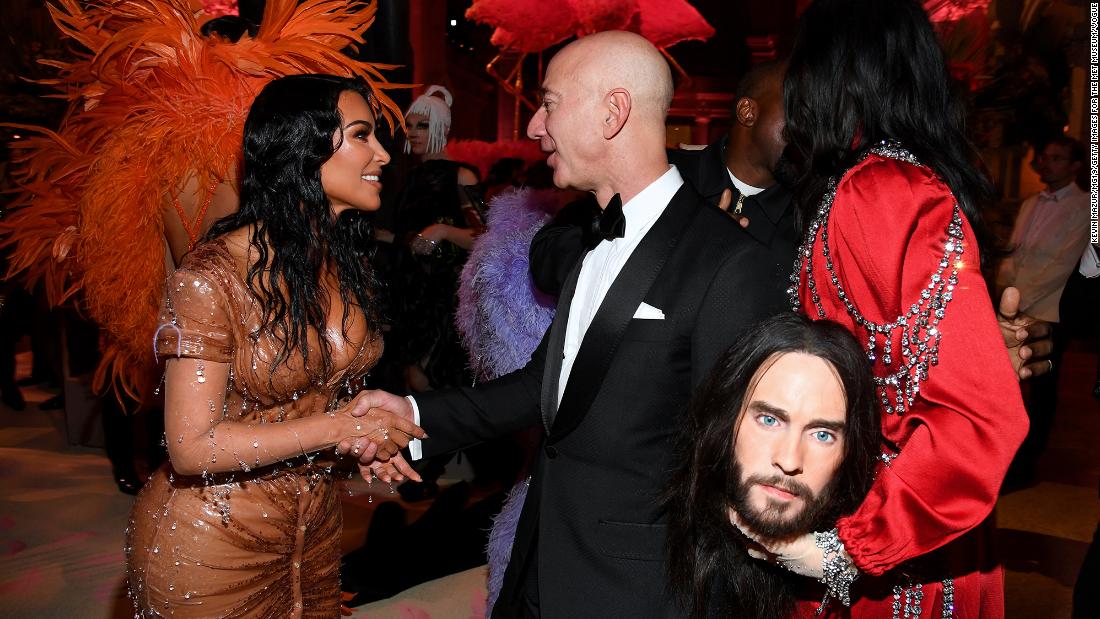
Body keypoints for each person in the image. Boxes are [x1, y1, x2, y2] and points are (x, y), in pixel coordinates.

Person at [349, 30, 793, 617]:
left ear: (613, 112)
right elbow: (545, 390)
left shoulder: (731, 266)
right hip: (539, 562)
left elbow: (736, 470)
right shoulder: (589, 237)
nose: (535, 127)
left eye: (550, 103)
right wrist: (411, 413)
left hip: (637, 593)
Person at [732, 1, 1029, 616]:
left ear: (833, 73)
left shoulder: (884, 192)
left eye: (802, 64)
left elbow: (981, 416)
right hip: (881, 522)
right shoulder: (869, 187)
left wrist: (849, 547)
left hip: (892, 541)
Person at [125, 74, 425, 617]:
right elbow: (191, 447)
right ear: (302, 147)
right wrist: (341, 428)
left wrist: (358, 425)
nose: (382, 154)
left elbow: (314, 393)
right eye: (361, 135)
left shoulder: (342, 263)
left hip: (314, 533)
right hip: (211, 548)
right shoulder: (213, 276)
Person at [666, 313, 881, 619]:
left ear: (850, 452)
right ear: (727, 420)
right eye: (769, 420)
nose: (789, 460)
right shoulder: (655, 554)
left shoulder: (888, 596)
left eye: (822, 435)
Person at [996, 136, 1091, 486]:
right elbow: (1012, 251)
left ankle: (1027, 465)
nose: (1046, 163)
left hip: (1048, 310)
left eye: (1056, 158)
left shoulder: (1084, 207)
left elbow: (1063, 264)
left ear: (1076, 166)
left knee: (1041, 390)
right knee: (1009, 385)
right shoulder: (1032, 201)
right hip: (1015, 304)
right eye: (1045, 156)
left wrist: (1019, 299)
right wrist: (1005, 292)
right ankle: (1005, 458)